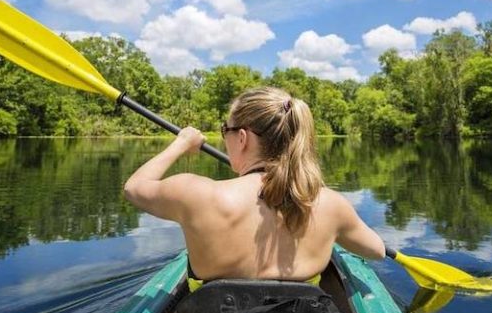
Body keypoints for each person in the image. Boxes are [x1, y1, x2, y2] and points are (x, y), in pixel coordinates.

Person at [123, 86, 385, 293]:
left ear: (242, 137)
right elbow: (377, 251)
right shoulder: (331, 204)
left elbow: (134, 187)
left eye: (225, 129)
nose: (225, 137)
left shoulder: (196, 194)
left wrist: (180, 144)